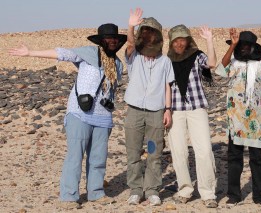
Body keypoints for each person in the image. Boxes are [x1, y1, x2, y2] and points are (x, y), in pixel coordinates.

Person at [9, 23, 127, 209]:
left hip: (104, 116)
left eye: (115, 39)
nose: (112, 42)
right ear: (101, 41)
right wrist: (30, 53)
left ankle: (96, 193)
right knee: (75, 156)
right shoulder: (87, 53)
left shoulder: (118, 64)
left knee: (98, 157)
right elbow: (61, 53)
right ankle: (69, 196)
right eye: (109, 39)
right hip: (80, 113)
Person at [214, 28, 261, 209]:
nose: (243, 48)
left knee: (256, 158)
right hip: (235, 119)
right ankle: (234, 195)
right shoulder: (234, 62)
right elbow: (220, 72)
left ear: (253, 47)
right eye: (240, 45)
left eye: (246, 45)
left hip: (256, 120)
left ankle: (259, 196)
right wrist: (232, 45)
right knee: (234, 157)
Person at [124, 8, 174, 206]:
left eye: (152, 33)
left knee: (154, 153)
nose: (149, 36)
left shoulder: (164, 61)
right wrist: (130, 25)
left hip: (156, 113)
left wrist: (168, 110)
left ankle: (152, 189)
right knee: (133, 152)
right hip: (134, 111)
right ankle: (136, 189)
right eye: (145, 32)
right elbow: (129, 44)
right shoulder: (134, 57)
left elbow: (167, 86)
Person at [167, 24, 218, 208]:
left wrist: (210, 40)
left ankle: (208, 193)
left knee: (204, 150)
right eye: (176, 40)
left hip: (197, 108)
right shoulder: (166, 60)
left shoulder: (197, 56)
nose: (180, 43)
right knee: (179, 152)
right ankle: (185, 190)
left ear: (188, 41)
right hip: (174, 110)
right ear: (171, 42)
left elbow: (212, 63)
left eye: (183, 39)